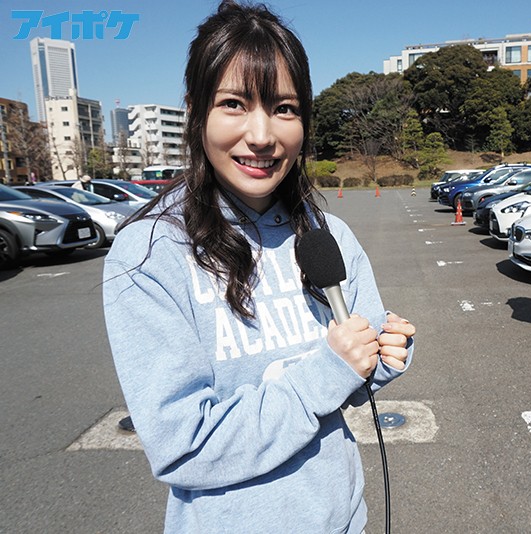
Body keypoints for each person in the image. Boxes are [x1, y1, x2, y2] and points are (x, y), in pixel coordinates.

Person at [102, 2, 415, 532]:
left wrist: (382, 356)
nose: (263, 135)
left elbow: (350, 380)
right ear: (196, 111)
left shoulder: (327, 235)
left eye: (285, 108)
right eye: (234, 104)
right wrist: (326, 372)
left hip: (343, 520)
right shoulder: (148, 254)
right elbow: (183, 445)